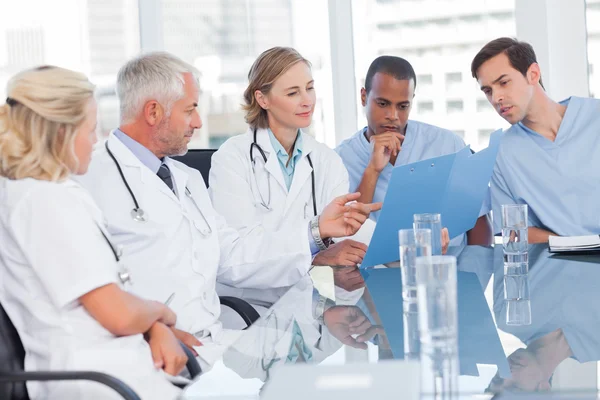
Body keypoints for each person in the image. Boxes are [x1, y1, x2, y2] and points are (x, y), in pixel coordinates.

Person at [76, 52, 377, 367]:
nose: (199, 122)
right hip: (153, 350)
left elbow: (233, 256)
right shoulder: (90, 181)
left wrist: (314, 233)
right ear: (153, 112)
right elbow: (93, 292)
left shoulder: (187, 180)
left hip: (209, 339)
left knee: (320, 367)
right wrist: (152, 330)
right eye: (190, 109)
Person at [0, 66, 184, 399]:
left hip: (114, 366)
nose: (95, 141)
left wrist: (154, 326)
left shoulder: (39, 192)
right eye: (91, 130)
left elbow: (109, 297)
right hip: (98, 381)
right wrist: (162, 314)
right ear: (61, 134)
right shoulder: (44, 200)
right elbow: (118, 315)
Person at [208, 47, 374, 308]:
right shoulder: (232, 159)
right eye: (293, 93)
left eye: (309, 88)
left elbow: (344, 241)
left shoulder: (326, 160)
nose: (307, 100)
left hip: (313, 307)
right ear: (262, 99)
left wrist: (411, 238)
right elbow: (234, 259)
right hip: (250, 311)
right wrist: (316, 249)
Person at [335, 56, 493, 254]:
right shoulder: (340, 159)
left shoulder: (448, 145)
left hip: (450, 266)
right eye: (383, 104)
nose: (393, 116)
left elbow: (479, 221)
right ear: (364, 97)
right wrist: (373, 170)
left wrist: (474, 270)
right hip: (376, 274)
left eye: (402, 106)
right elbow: (347, 233)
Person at [471, 37, 600, 243]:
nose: (496, 98)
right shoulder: (502, 153)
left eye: (503, 83)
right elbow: (513, 232)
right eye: (488, 91)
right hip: (554, 266)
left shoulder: (595, 117)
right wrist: (579, 245)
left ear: (533, 74)